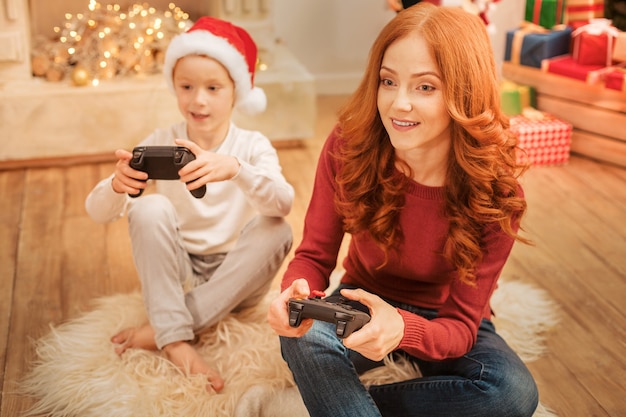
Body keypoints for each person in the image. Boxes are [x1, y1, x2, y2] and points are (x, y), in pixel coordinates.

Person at [267, 3, 539, 416]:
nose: (399, 104)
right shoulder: (348, 146)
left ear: (463, 94)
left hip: (441, 320)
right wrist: (293, 292)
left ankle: (328, 406)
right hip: (361, 300)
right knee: (304, 334)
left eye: (425, 87)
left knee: (512, 393)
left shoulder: (497, 195)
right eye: (388, 81)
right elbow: (314, 255)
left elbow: (461, 328)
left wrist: (404, 329)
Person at [85, 16, 294, 393]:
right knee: (147, 208)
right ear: (174, 87)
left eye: (213, 87)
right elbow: (95, 212)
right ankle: (177, 341)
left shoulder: (251, 145)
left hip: (238, 278)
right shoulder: (162, 139)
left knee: (277, 227)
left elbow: (283, 202)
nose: (198, 100)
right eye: (187, 86)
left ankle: (165, 328)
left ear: (236, 91)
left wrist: (236, 169)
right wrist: (117, 186)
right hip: (182, 273)